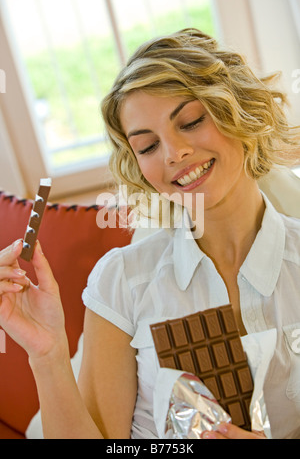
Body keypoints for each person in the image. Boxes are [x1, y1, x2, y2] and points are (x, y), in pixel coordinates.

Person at [0, 28, 300, 439]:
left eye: (191, 121)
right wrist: (47, 355)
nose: (173, 153)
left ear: (238, 108)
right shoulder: (122, 279)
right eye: (147, 146)